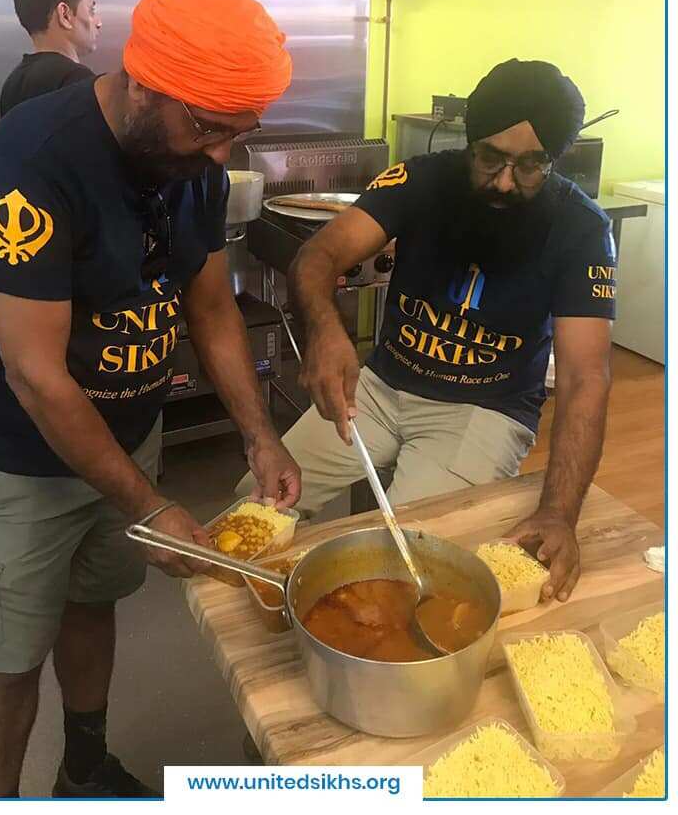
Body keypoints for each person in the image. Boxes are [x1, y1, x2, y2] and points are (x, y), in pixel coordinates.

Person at [0, 0, 300, 799]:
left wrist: (259, 434)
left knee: (93, 599)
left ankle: (85, 765)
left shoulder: (195, 158)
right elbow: (35, 376)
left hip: (128, 434)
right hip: (20, 454)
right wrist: (151, 506)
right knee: (9, 651)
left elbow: (209, 302)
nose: (220, 154)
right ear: (143, 82)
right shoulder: (33, 162)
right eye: (208, 128)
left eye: (237, 134)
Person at [237, 58, 616, 606]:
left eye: (532, 166)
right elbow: (318, 256)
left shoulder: (582, 230)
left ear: (554, 161)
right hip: (379, 390)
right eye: (492, 159)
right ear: (471, 142)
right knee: (253, 512)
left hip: (482, 411)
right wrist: (325, 332)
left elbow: (585, 378)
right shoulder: (422, 179)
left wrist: (558, 511)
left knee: (400, 569)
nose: (506, 182)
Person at [0, 0, 101, 116]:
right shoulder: (77, 82)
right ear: (65, 15)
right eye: (91, 10)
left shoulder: (13, 83)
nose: (98, 22)